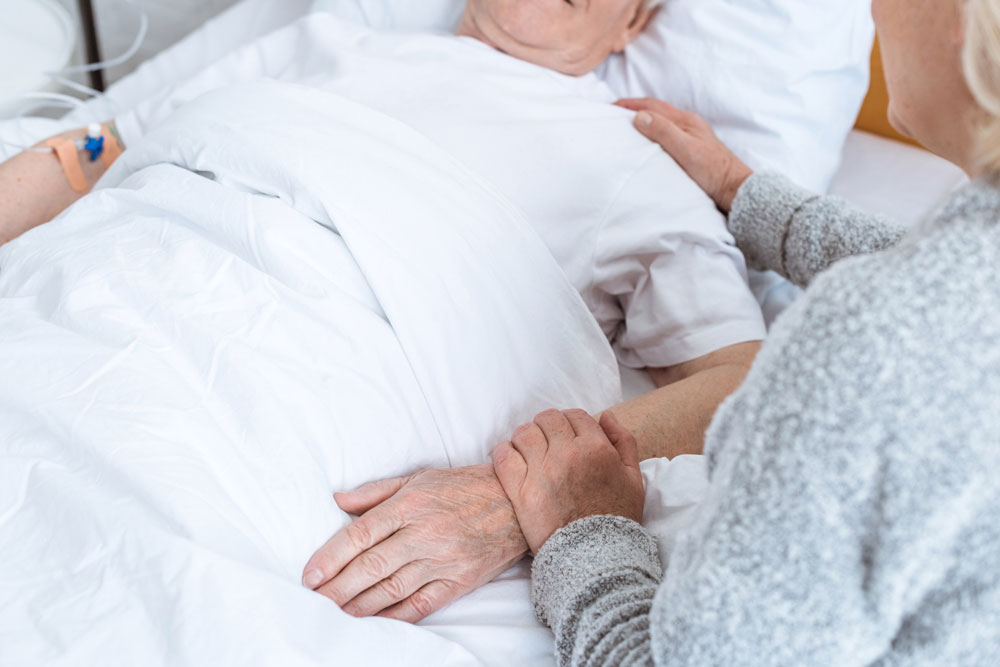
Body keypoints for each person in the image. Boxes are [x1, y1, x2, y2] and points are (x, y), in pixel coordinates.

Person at [0, 0, 766, 621]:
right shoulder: (334, 37)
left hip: (280, 368)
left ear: (632, 22)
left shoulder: (634, 160)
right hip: (113, 263)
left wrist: (528, 487)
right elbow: (95, 151)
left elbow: (749, 378)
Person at [492, 0, 1000, 664]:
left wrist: (587, 527)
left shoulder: (867, 344)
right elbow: (928, 270)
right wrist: (743, 190)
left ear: (967, 22)